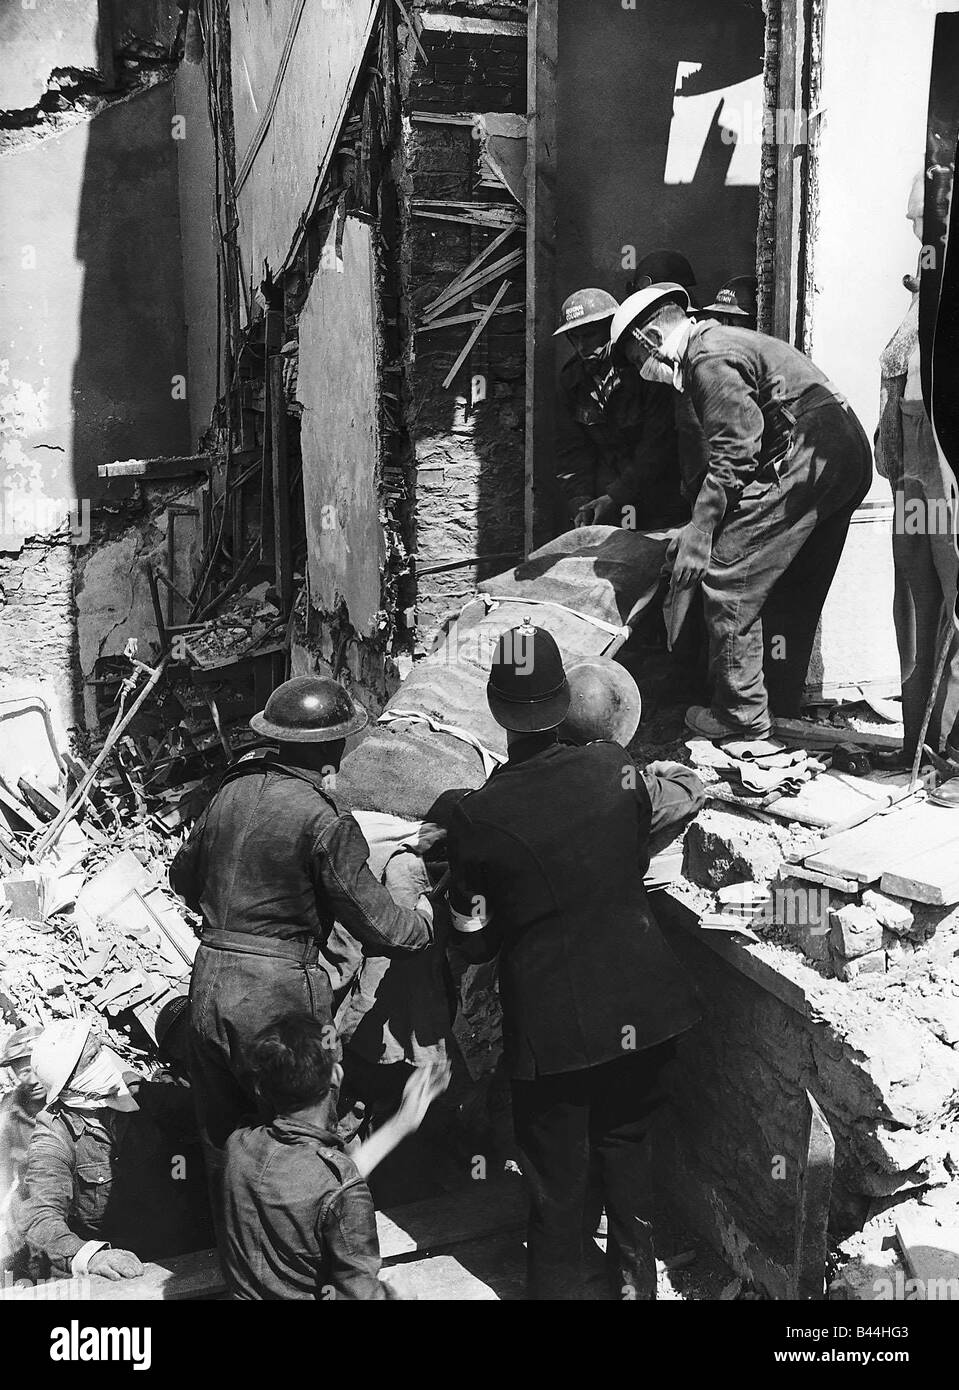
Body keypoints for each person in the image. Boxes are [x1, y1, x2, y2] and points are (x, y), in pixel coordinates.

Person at [444, 621, 705, 1300]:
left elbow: (471, 940)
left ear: (497, 711)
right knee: (626, 1156)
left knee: (557, 1184)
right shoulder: (616, 770)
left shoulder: (477, 816)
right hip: (647, 1013)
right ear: (564, 700)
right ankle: (632, 1291)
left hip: (555, 1034)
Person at [169, 675, 435, 1178]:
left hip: (208, 980)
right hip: (279, 997)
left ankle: (234, 1250)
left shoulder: (229, 792)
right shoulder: (325, 819)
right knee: (298, 1144)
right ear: (334, 746)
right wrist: (422, 922)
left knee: (225, 1145)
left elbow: (182, 877)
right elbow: (379, 924)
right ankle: (306, 1253)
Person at [610, 283, 873, 740]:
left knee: (728, 576)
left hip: (808, 454)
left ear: (650, 337)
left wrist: (701, 529)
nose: (643, 370)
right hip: (842, 456)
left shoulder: (706, 359)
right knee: (790, 584)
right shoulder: (725, 343)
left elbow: (736, 451)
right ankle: (780, 703)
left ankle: (740, 717)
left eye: (636, 360)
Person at [220, 1012, 449, 1300]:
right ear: (336, 1077)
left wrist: (403, 1122)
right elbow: (358, 1294)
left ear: (261, 1088)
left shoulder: (238, 1146)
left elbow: (317, 1186)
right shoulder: (340, 1190)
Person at [21, 1020, 212, 1281]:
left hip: (185, 1246)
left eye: (102, 1050)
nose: (106, 1060)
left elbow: (204, 1114)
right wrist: (91, 1256)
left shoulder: (136, 1097)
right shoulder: (54, 1135)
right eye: (94, 1057)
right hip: (127, 1268)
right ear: (69, 1079)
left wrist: (180, 1173)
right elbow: (41, 1219)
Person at [876, 172, 959, 769]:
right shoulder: (919, 292)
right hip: (912, 472)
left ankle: (954, 749)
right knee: (914, 602)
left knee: (956, 606)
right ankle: (918, 743)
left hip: (948, 471)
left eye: (926, 224)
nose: (918, 234)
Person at [553, 287, 696, 531]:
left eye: (588, 335)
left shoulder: (644, 367)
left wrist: (618, 496)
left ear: (609, 329)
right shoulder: (572, 381)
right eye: (573, 338)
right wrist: (581, 502)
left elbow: (658, 443)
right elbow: (572, 451)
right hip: (608, 497)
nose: (581, 347)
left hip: (661, 493)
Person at [0, 1023, 44, 1270]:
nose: (32, 1079)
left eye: (36, 1068)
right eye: (23, 1072)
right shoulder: (8, 1111)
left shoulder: (75, 1098)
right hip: (31, 1212)